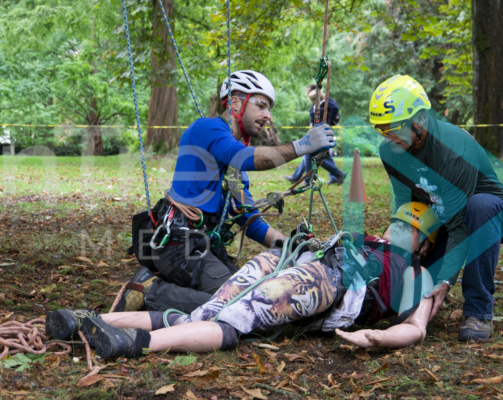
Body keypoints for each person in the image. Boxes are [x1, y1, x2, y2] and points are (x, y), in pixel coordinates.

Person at [45, 202, 438, 358]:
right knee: (207, 308)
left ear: (423, 245)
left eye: (411, 230)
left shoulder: (420, 273)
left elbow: (418, 326)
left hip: (332, 285)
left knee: (232, 321)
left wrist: (380, 337)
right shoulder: (370, 240)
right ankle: (86, 322)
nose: (399, 231)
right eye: (397, 223)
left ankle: (135, 343)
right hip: (299, 258)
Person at [117, 70, 337, 316]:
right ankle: (149, 290)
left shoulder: (235, 163)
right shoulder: (208, 129)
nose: (268, 115)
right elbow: (244, 158)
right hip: (179, 243)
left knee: (257, 295)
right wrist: (303, 145)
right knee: (240, 305)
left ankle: (170, 288)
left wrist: (290, 245)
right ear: (234, 103)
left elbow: (249, 221)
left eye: (269, 108)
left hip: (203, 245)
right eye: (261, 105)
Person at [369, 74, 503, 342]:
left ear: (418, 120)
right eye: (381, 129)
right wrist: (415, 235)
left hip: (497, 212)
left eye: (392, 128)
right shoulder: (389, 151)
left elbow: (460, 225)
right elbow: (405, 201)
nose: (387, 137)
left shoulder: (452, 147)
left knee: (479, 206)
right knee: (409, 260)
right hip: (448, 214)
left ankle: (478, 311)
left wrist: (446, 281)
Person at [284, 84, 347, 185]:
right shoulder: (315, 105)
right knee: (313, 156)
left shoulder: (326, 103)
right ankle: (336, 175)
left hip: (322, 133)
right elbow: (313, 118)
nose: (311, 101)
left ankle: (309, 180)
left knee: (313, 156)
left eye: (312, 98)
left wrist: (330, 122)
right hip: (316, 132)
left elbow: (335, 108)